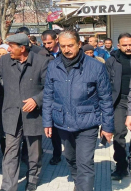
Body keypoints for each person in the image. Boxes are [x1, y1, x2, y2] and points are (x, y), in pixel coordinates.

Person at [43, 30, 114, 191]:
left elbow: (106, 99)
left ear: (79, 44)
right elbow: (48, 95)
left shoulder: (96, 67)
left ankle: (83, 186)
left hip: (87, 123)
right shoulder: (53, 66)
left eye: (70, 45)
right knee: (70, 158)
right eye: (63, 46)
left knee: (85, 164)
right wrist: (47, 121)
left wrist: (108, 127)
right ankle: (79, 183)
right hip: (63, 122)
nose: (67, 49)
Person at [0, 33, 49, 191]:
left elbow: (51, 88)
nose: (8, 49)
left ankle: (32, 180)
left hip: (33, 115)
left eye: (11, 47)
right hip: (12, 115)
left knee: (34, 153)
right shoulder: (5, 61)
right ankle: (8, 187)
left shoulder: (41, 62)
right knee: (10, 153)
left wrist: (36, 100)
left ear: (22, 48)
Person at [106, 33, 131, 180]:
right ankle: (121, 166)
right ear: (118, 46)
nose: (128, 48)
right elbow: (106, 83)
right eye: (125, 45)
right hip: (119, 101)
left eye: (130, 44)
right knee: (119, 133)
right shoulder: (111, 61)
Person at [39, 30, 63, 165]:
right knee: (53, 129)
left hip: (64, 93)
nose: (47, 45)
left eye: (49, 42)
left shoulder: (64, 51)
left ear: (56, 39)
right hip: (50, 94)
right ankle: (56, 154)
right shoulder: (41, 55)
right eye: (45, 43)